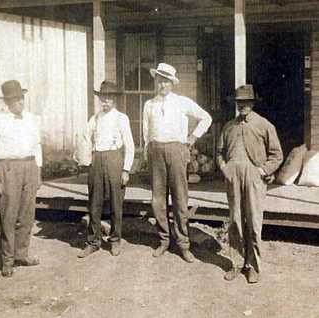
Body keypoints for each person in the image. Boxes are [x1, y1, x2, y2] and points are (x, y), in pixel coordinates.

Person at [143, 63, 212, 262]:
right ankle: (164, 240)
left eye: (166, 81)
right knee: (158, 199)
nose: (162, 84)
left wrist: (192, 138)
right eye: (159, 80)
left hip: (177, 150)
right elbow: (146, 132)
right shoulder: (149, 105)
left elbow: (205, 118)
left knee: (180, 199)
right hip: (156, 151)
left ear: (172, 83)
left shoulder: (182, 102)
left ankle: (183, 244)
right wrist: (148, 148)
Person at [217, 84, 283, 284]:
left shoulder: (264, 125)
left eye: (246, 102)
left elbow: (277, 155)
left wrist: (262, 171)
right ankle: (236, 263)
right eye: (239, 102)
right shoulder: (229, 126)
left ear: (252, 103)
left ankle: (253, 267)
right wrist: (225, 168)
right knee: (235, 220)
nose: (243, 106)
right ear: (236, 104)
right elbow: (219, 153)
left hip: (254, 177)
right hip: (233, 176)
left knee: (254, 222)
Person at [0, 80, 43, 277]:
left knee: (27, 214)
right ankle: (8, 261)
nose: (20, 103)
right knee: (8, 215)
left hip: (29, 166)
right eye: (15, 99)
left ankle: (22, 254)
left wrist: (38, 171)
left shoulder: (31, 119)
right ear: (7, 102)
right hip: (7, 169)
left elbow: (37, 145)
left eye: (21, 98)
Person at [77, 81, 135, 258]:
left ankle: (115, 240)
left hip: (114, 158)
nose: (106, 101)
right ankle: (93, 241)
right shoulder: (94, 118)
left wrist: (126, 170)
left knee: (116, 202)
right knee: (94, 202)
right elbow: (84, 139)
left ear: (115, 99)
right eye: (103, 97)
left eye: (109, 98)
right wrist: (85, 160)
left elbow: (130, 146)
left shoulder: (121, 118)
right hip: (97, 159)